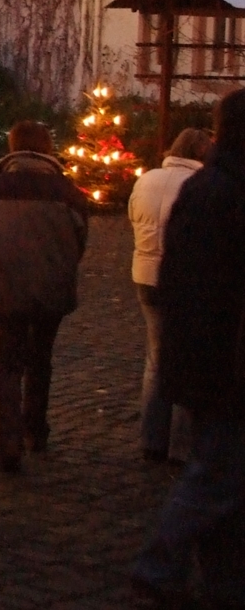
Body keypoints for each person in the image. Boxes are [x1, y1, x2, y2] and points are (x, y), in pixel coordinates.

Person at [133, 88, 245, 610]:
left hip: (204, 354)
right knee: (215, 475)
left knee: (223, 475)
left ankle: (224, 584)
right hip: (223, 359)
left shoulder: (206, 187)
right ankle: (159, 566)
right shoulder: (225, 193)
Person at [0, 121, 88, 472]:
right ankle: (35, 429)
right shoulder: (68, 192)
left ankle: (9, 439)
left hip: (7, 286)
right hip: (52, 286)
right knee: (41, 359)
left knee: (8, 365)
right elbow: (79, 241)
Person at [129, 126, 212, 463]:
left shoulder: (146, 179)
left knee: (155, 357)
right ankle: (180, 445)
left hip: (144, 273)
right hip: (181, 277)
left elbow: (133, 217)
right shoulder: (199, 185)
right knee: (185, 357)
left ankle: (151, 437)